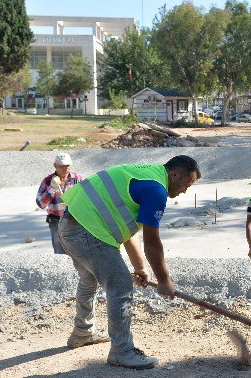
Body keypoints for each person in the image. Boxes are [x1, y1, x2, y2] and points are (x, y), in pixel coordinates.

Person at [58, 155, 200, 370]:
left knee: (89, 279)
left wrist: (140, 267)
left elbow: (126, 228)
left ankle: (82, 332)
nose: (185, 190)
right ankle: (121, 351)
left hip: (71, 225)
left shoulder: (146, 175)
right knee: (121, 285)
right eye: (186, 184)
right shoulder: (156, 190)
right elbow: (152, 241)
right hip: (86, 232)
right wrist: (164, 281)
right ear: (175, 174)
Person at [35, 152, 84, 254]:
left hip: (74, 219)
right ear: (55, 165)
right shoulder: (48, 181)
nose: (65, 169)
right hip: (56, 221)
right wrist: (52, 188)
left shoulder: (77, 179)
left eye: (67, 166)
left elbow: (87, 198)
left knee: (77, 251)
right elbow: (41, 204)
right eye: (61, 166)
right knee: (60, 252)